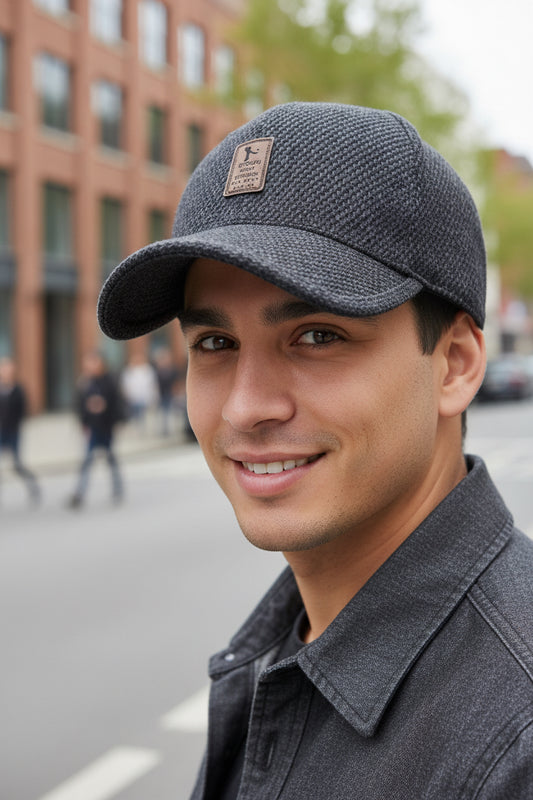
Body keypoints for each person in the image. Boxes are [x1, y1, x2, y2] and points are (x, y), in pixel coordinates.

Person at [97, 103, 533, 797]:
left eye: (318, 337)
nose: (245, 406)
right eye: (215, 343)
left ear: (453, 363)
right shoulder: (294, 639)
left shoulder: (515, 738)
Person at [68, 351, 124, 508]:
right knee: (87, 461)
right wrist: (84, 420)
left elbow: (117, 403)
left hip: (106, 427)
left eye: (93, 363)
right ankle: (80, 493)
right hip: (92, 428)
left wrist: (104, 407)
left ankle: (118, 490)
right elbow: (78, 405)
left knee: (111, 460)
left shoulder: (109, 381)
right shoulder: (85, 382)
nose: (90, 366)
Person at [0, 356, 40, 505]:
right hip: (1, 431)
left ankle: (33, 487)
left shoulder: (18, 390)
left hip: (13, 432)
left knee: (17, 465)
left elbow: (24, 411)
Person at [120, 353, 159, 431]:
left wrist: (153, 394)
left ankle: (141, 425)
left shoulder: (147, 369)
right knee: (135, 411)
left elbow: (151, 383)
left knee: (142, 411)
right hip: (133, 395)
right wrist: (126, 393)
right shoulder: (129, 370)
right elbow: (125, 383)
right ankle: (137, 424)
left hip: (144, 395)